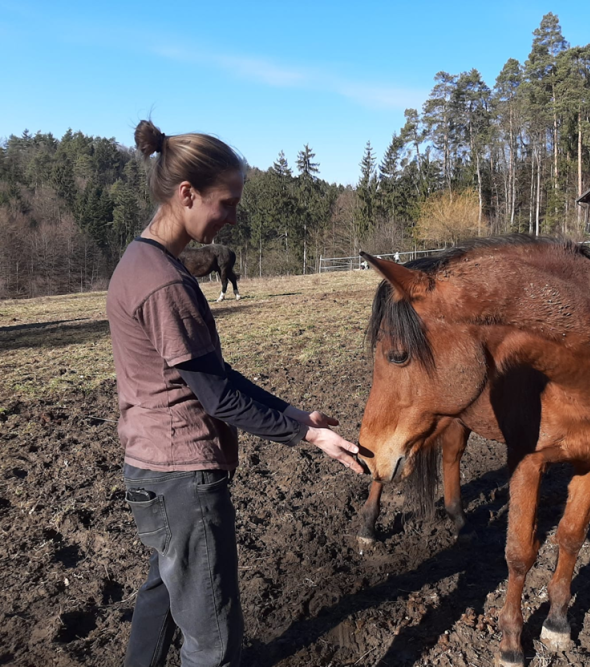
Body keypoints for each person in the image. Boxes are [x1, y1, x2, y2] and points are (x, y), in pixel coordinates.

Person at [106, 120, 363, 667]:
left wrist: (293, 413)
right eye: (226, 202)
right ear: (186, 194)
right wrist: (309, 434)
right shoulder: (166, 283)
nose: (233, 216)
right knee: (213, 639)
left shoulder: (140, 260)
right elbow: (216, 396)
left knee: (162, 596)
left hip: (148, 465)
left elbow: (210, 373)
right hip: (182, 477)